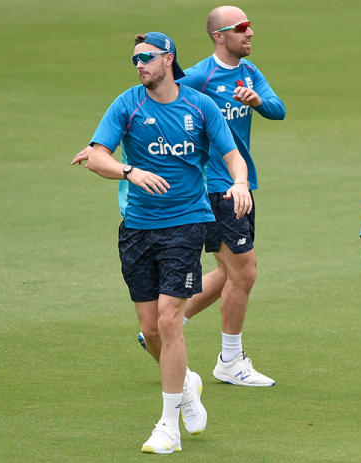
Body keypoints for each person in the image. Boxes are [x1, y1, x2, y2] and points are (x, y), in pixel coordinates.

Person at [74, 5, 285, 387]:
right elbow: (160, 105)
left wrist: (257, 103)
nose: (250, 32)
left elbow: (279, 110)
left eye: (250, 26)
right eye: (241, 27)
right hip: (209, 191)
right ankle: (228, 357)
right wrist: (101, 151)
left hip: (240, 184)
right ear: (219, 35)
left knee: (231, 273)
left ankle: (172, 324)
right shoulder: (197, 79)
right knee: (243, 271)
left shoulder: (249, 72)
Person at [80, 32, 252, 453]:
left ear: (168, 59)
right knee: (150, 328)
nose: (139, 64)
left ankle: (168, 425)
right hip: (137, 227)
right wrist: (128, 171)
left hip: (186, 224)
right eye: (135, 58)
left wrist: (241, 182)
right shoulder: (127, 104)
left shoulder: (199, 105)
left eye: (147, 57)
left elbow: (231, 154)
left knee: (171, 319)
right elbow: (96, 155)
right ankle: (187, 387)